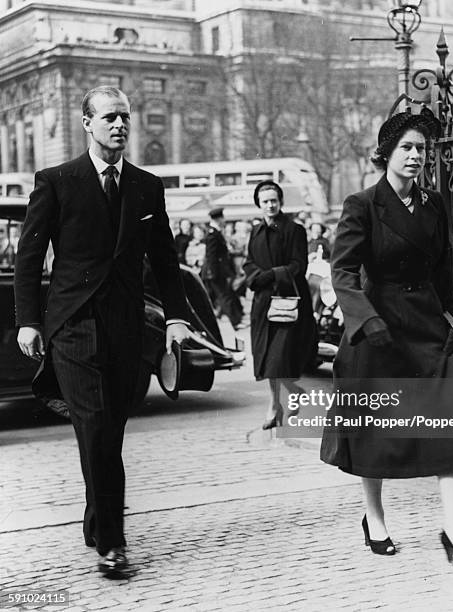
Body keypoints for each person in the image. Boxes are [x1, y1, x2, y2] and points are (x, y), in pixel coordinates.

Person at [14, 86, 190, 576]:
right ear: (87, 123)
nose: (120, 125)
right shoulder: (57, 180)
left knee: (109, 431)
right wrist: (28, 321)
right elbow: (29, 258)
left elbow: (165, 260)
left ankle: (97, 519)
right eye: (110, 117)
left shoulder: (145, 186)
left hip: (125, 326)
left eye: (125, 118)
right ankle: (112, 543)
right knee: (94, 427)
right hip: (73, 325)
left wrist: (176, 316)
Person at [319, 109, 453, 567]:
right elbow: (342, 272)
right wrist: (366, 320)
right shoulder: (362, 204)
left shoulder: (434, 204)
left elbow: (442, 270)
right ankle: (374, 519)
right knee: (374, 433)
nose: (417, 156)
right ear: (387, 154)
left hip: (427, 330)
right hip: (378, 332)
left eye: (422, 149)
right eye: (408, 148)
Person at [244, 180, 318, 429]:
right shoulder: (255, 232)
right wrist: (256, 277)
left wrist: (272, 275)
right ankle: (278, 403)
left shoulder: (294, 230)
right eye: (265, 201)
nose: (270, 205)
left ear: (281, 201)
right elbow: (249, 263)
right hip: (263, 303)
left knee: (278, 359)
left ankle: (283, 399)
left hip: (287, 302)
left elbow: (299, 265)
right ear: (259, 204)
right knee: (265, 359)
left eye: (274, 200)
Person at [201, 207, 244, 330]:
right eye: (222, 217)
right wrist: (213, 273)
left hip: (216, 272)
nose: (224, 220)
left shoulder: (214, 232)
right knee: (224, 296)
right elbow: (211, 256)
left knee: (222, 296)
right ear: (218, 219)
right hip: (215, 272)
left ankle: (234, 318)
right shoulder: (212, 234)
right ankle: (235, 322)